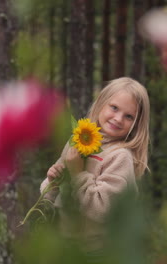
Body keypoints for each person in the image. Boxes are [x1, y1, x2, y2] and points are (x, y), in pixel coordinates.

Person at [40, 77, 150, 253]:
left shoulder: (120, 157)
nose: (118, 118)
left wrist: (77, 174)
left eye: (129, 116)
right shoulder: (77, 141)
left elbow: (104, 209)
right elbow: (49, 197)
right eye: (114, 108)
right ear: (101, 103)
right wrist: (53, 181)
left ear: (136, 124)